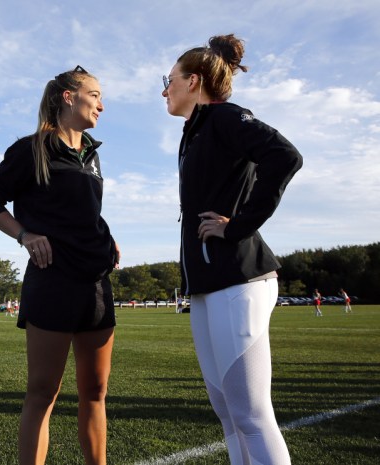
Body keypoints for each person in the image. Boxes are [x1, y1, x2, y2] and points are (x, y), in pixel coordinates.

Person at [162, 34, 302, 465]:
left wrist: (238, 226)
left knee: (252, 413)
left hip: (239, 280)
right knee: (228, 412)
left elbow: (285, 156)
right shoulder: (196, 131)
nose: (165, 90)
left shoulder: (224, 118)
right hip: (208, 286)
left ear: (193, 81)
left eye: (169, 80)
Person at [0, 65, 120, 465]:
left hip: (96, 283)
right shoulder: (30, 148)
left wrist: (107, 237)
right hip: (52, 282)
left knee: (95, 392)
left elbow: (84, 210)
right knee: (43, 391)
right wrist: (24, 235)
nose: (101, 104)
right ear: (68, 97)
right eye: (95, 95)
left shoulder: (91, 153)